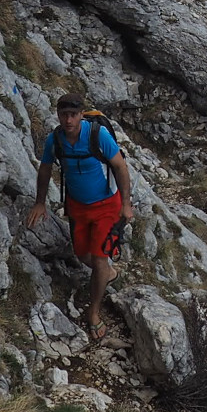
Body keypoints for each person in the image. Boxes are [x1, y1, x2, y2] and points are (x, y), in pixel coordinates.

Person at [25, 95, 135, 343]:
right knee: (83, 255)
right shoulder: (55, 140)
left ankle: (93, 311)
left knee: (97, 260)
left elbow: (120, 167)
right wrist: (40, 202)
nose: (68, 119)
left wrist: (126, 204)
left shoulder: (97, 136)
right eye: (63, 114)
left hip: (107, 205)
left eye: (73, 114)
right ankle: (108, 273)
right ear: (57, 114)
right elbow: (45, 169)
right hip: (77, 207)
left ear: (81, 114)